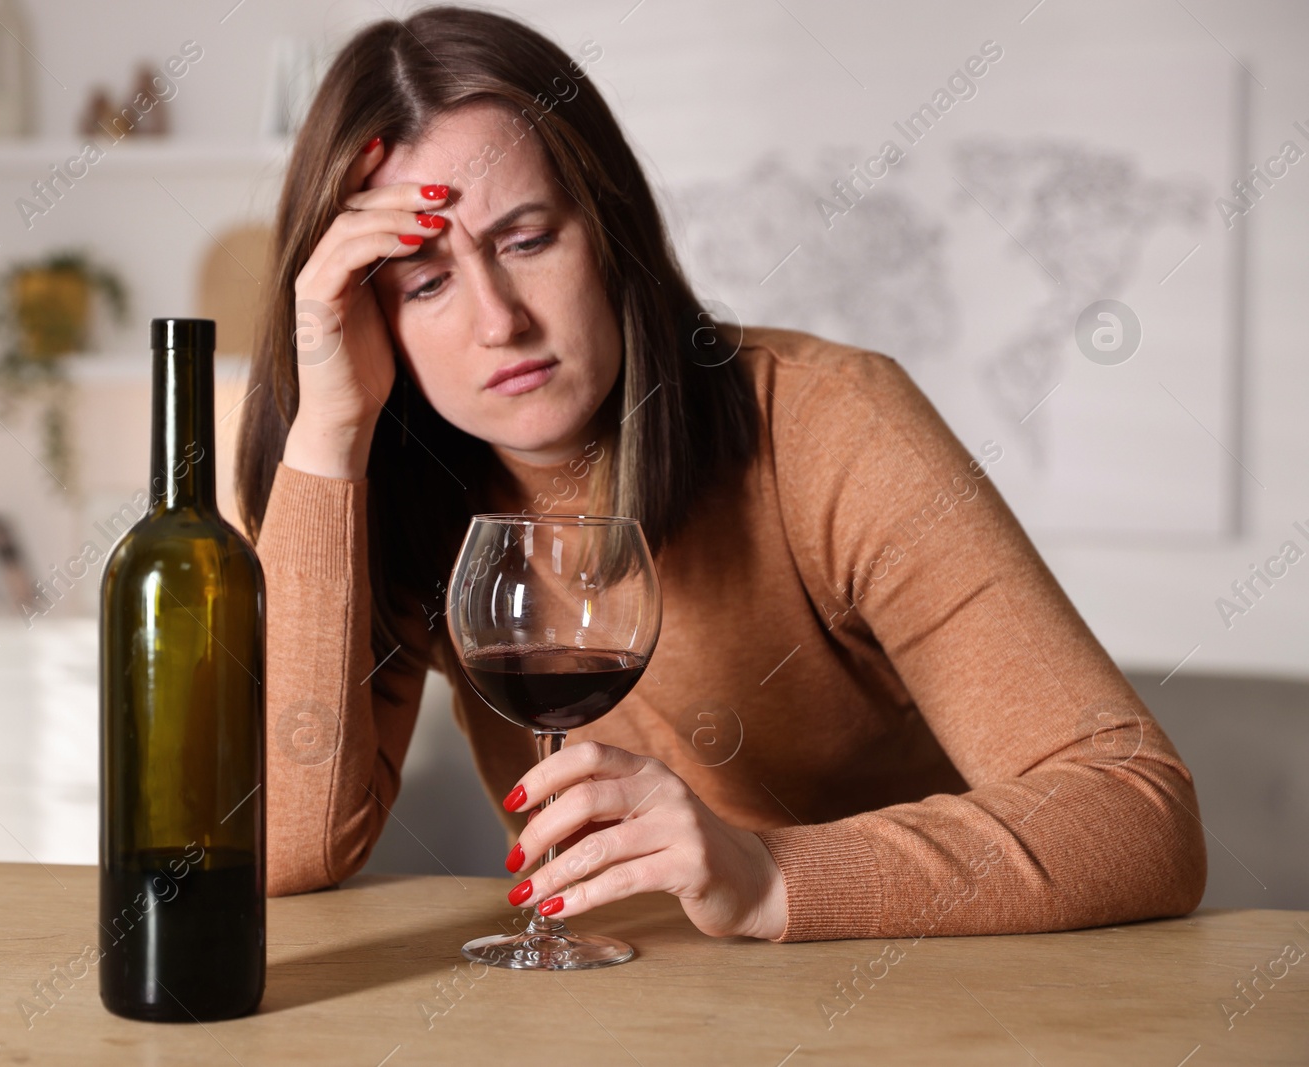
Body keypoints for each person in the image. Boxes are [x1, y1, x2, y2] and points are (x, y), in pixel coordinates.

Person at [234, 5, 1206, 942]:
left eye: (526, 239)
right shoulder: (401, 484)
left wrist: (769, 874)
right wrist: (328, 430)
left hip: (903, 995)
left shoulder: (830, 425)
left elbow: (1137, 813)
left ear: (610, 229)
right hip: (615, 1010)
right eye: (426, 281)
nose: (498, 320)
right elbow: (277, 851)